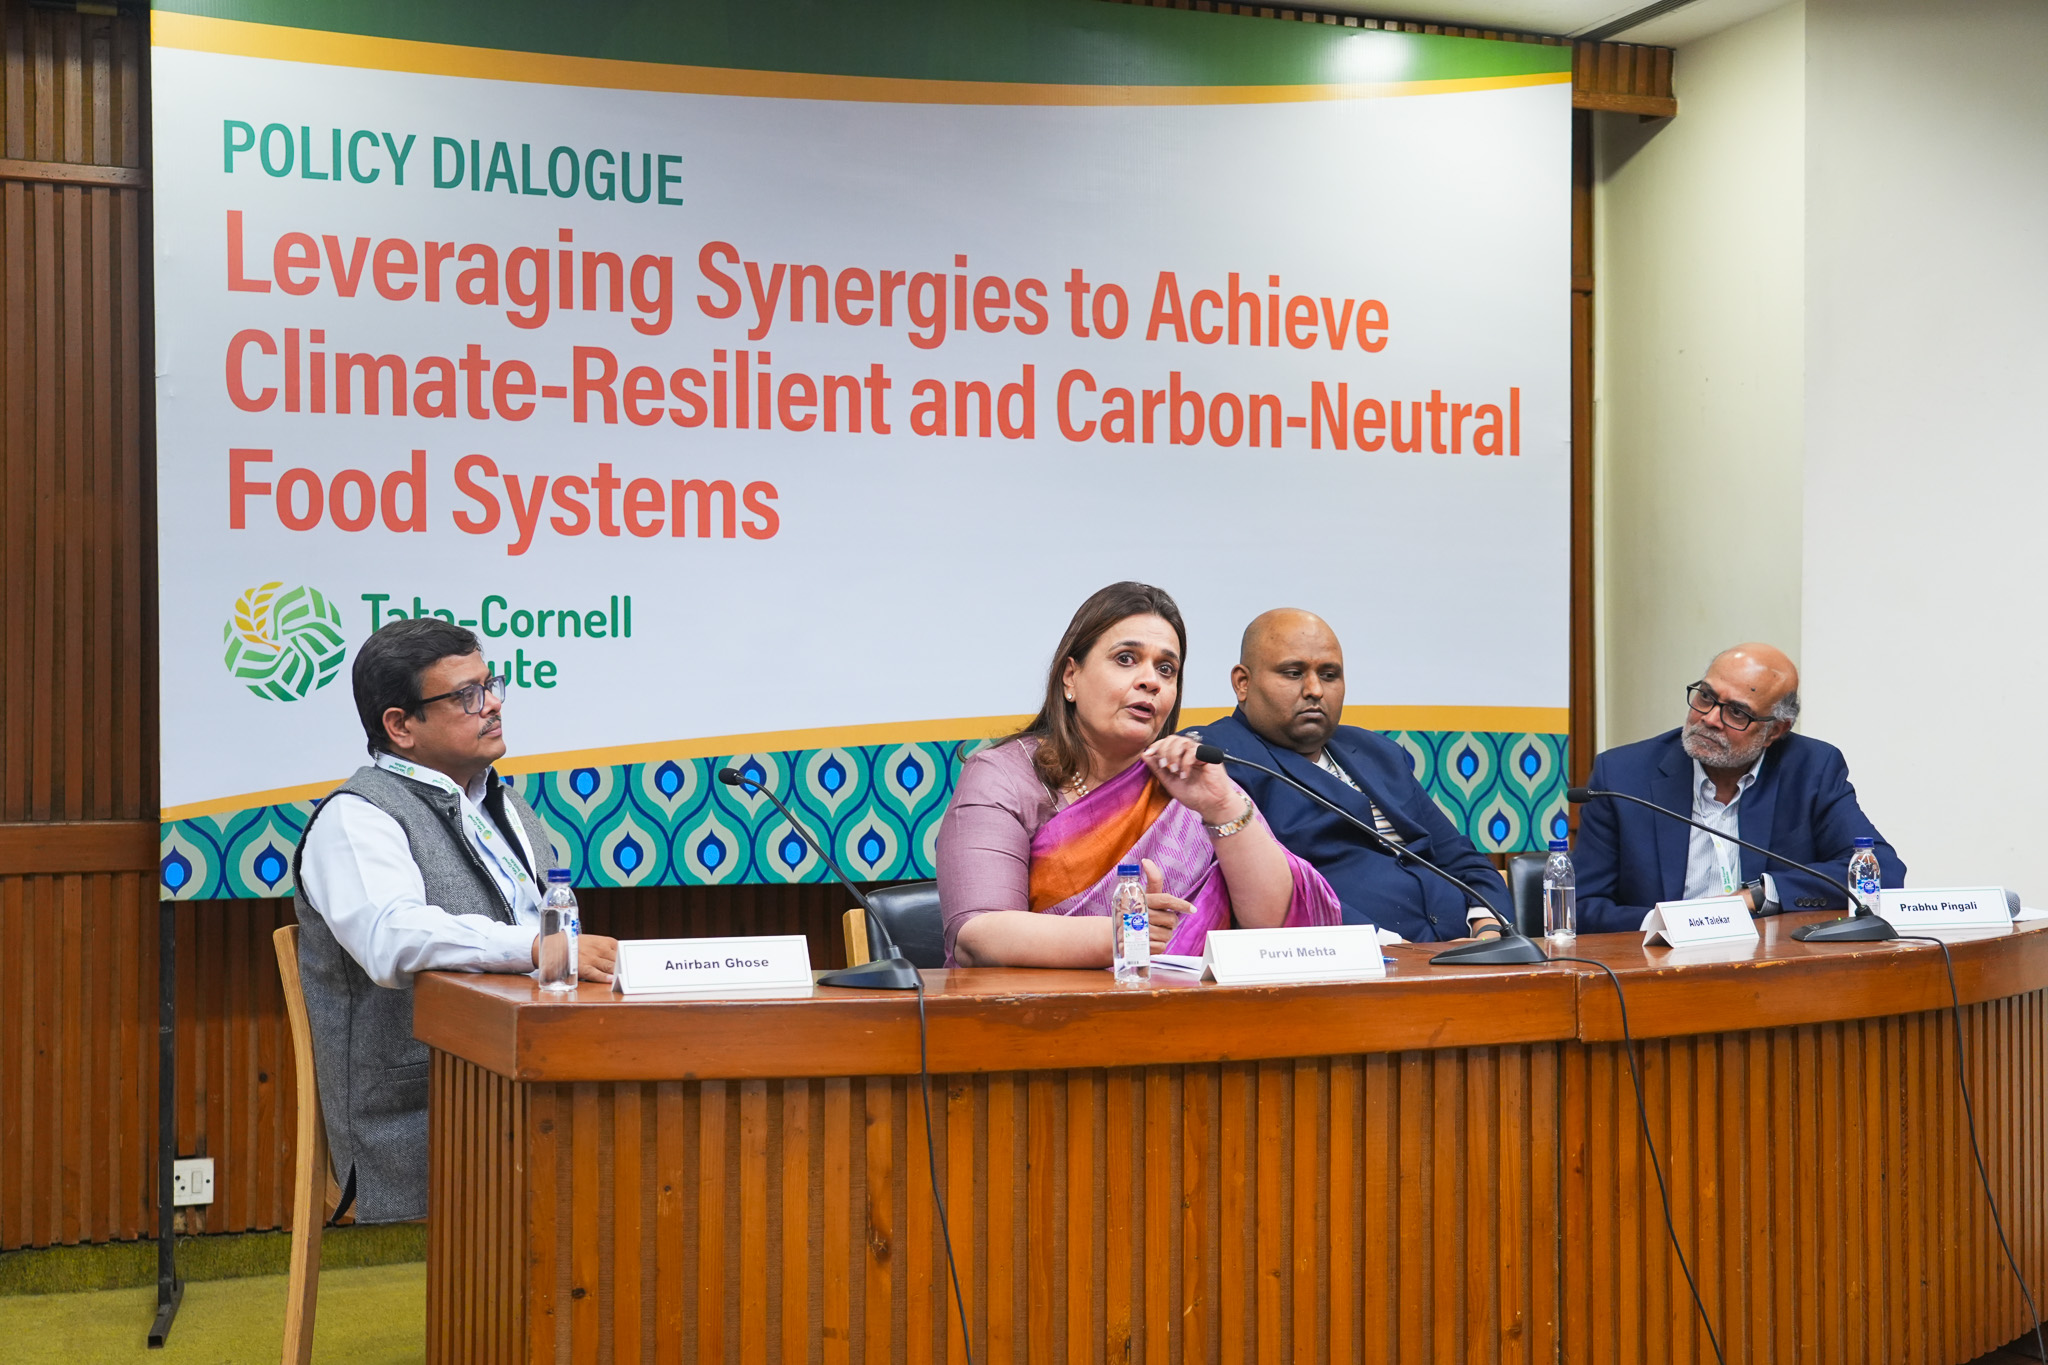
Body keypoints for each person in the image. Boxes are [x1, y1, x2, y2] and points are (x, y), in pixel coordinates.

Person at [292, 618, 618, 1223]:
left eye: (491, 684)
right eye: (466, 696)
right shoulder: (356, 819)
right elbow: (393, 937)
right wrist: (530, 948)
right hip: (426, 1102)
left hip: (523, 1073)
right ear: (400, 725)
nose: (492, 704)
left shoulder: (505, 804)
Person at [936, 582, 1340, 968]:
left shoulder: (1186, 780)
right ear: (1070, 677)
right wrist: (1124, 931)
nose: (1151, 681)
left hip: (1192, 1015)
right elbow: (977, 933)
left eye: (1166, 669)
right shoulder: (1004, 776)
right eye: (1126, 659)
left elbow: (1277, 926)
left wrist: (1221, 806)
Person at [1189, 609, 1515, 943]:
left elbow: (1460, 857)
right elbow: (1264, 891)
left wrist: (1488, 929)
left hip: (1462, 956)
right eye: (1293, 673)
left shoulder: (1378, 752)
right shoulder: (1217, 757)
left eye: (1329, 675)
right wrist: (1391, 949)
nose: (1315, 689)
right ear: (1242, 683)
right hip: (1353, 964)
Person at [1573, 642, 1905, 934]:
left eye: (1736, 712)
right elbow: (1582, 906)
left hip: (1771, 969)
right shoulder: (1622, 775)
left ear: (1775, 731)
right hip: (1656, 970)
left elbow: (1882, 870)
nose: (1710, 718)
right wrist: (1668, 925)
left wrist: (1760, 894)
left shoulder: (1811, 769)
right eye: (1705, 696)